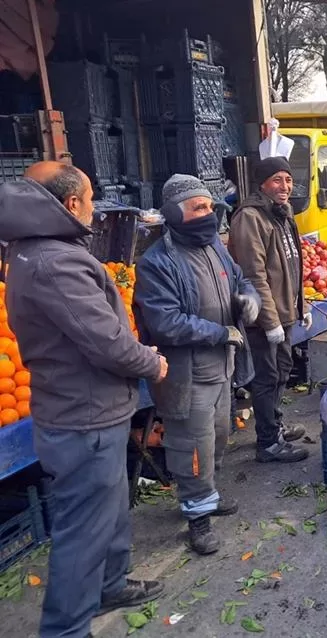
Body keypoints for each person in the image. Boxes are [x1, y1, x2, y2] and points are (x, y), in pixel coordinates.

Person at [0, 162, 168, 638]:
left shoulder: (29, 252)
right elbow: (106, 342)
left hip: (85, 408)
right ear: (71, 203)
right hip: (84, 418)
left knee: (110, 508)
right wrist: (150, 363)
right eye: (91, 197)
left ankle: (109, 585)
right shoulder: (57, 262)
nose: (95, 207)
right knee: (83, 531)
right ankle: (65, 628)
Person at [134, 174, 259, 555]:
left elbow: (239, 278)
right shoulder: (156, 263)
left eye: (209, 206)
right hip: (187, 376)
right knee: (192, 447)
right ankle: (197, 517)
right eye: (198, 208)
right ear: (174, 213)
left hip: (221, 369)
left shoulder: (214, 247)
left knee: (219, 436)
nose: (208, 214)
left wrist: (247, 297)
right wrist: (219, 332)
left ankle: (207, 494)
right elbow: (165, 322)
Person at [229, 157, 310, 463]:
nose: (285, 187)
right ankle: (267, 443)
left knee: (282, 372)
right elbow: (254, 274)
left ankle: (273, 424)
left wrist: (302, 304)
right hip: (263, 317)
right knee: (266, 376)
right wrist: (270, 320)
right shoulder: (251, 217)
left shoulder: (281, 214)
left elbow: (293, 264)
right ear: (262, 183)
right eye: (277, 180)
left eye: (288, 180)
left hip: (284, 313)